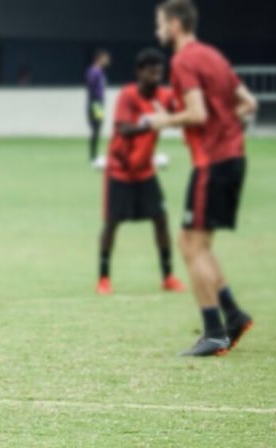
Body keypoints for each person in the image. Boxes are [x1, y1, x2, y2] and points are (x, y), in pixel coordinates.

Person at [147, 0, 257, 356]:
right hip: (232, 158)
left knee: (192, 247)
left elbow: (197, 113)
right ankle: (233, 315)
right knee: (194, 244)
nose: (157, 31)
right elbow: (247, 103)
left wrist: (165, 121)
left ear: (176, 24)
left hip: (212, 163)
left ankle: (214, 332)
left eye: (160, 24)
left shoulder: (184, 61)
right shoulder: (214, 56)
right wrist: (225, 128)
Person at [97, 48, 185, 295]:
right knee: (111, 223)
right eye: (150, 71)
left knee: (161, 220)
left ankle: (167, 276)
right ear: (139, 72)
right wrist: (150, 122)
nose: (156, 75)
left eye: (159, 71)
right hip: (120, 170)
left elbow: (180, 111)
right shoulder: (128, 95)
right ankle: (103, 278)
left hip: (145, 171)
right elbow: (124, 129)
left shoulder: (164, 96)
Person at [86, 49, 110, 166]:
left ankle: (94, 155)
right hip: (95, 104)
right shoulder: (93, 71)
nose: (107, 60)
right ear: (99, 58)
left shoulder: (100, 72)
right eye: (105, 58)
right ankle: (93, 156)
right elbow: (91, 89)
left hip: (98, 105)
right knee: (96, 128)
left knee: (98, 128)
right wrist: (95, 105)